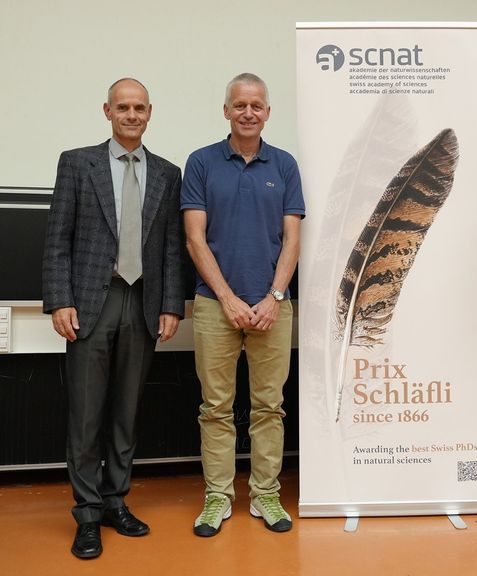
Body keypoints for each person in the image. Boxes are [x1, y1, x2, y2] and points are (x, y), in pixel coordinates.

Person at [42, 78, 185, 559]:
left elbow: (169, 247)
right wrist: (60, 300)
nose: (131, 114)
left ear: (150, 113)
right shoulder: (77, 163)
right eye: (122, 107)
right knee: (86, 416)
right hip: (88, 306)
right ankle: (86, 515)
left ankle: (114, 501)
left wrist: (171, 304)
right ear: (107, 111)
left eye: (139, 107)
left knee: (125, 413)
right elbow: (57, 238)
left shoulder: (168, 173)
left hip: (141, 303)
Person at [181, 73, 304, 537]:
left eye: (256, 105)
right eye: (239, 105)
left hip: (275, 305)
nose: (248, 112)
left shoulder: (285, 165)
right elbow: (195, 238)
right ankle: (217, 498)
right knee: (215, 407)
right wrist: (229, 298)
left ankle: (266, 495)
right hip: (216, 306)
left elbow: (293, 239)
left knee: (269, 407)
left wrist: (273, 297)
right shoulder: (201, 163)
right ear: (226, 110)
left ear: (267, 112)